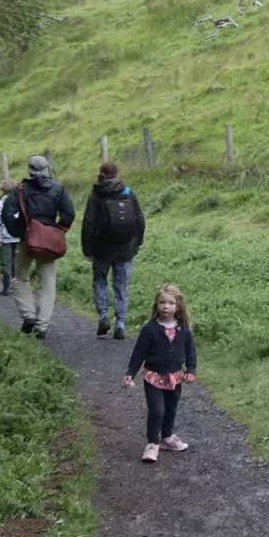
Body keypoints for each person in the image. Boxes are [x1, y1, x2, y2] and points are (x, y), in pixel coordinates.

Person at [0, 155, 74, 339]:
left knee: (20, 279)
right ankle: (42, 325)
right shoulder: (57, 188)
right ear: (46, 168)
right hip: (49, 241)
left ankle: (28, 315)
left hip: (28, 240)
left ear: (29, 169)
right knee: (47, 283)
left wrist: (20, 232)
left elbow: (7, 214)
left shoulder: (20, 190)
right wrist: (59, 230)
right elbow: (69, 212)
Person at [121, 284, 196, 463]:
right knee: (157, 410)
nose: (165, 306)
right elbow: (139, 353)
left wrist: (191, 370)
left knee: (170, 409)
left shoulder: (184, 330)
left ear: (178, 306)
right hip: (153, 376)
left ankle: (167, 438)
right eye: (162, 302)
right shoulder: (150, 328)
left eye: (170, 303)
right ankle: (152, 444)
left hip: (175, 377)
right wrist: (130, 372)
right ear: (156, 305)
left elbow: (191, 352)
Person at [81, 160, 145, 340]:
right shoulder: (127, 192)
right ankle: (120, 324)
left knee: (100, 281)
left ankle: (103, 316)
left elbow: (88, 223)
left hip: (101, 248)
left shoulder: (96, 194)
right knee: (121, 285)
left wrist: (87, 249)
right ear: (118, 174)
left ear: (101, 174)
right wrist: (137, 243)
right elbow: (139, 219)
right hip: (125, 248)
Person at [0, 178, 21, 295]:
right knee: (17, 262)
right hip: (18, 236)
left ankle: (6, 287)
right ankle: (16, 287)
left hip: (5, 237)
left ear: (2, 189)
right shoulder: (20, 202)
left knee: (5, 262)